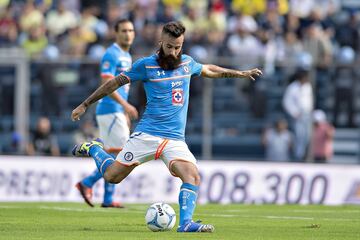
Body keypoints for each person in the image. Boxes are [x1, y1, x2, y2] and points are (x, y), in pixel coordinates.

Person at [71, 21, 262, 232]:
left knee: (192, 176)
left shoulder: (187, 63)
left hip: (174, 140)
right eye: (169, 46)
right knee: (112, 177)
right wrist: (85, 104)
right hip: (147, 135)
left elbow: (209, 69)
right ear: (161, 42)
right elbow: (114, 82)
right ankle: (93, 148)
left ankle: (186, 223)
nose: (173, 51)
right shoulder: (145, 65)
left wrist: (239, 73)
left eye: (178, 47)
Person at [75, 19, 138, 208]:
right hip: (110, 110)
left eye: (131, 30)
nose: (128, 34)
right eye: (124, 30)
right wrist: (125, 106)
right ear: (116, 33)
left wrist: (124, 111)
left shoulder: (126, 55)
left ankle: (106, 197)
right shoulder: (111, 54)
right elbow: (107, 84)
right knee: (125, 155)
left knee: (115, 154)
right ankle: (88, 183)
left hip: (116, 111)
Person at [282, 69, 313, 161]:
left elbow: (309, 101)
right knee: (298, 136)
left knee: (307, 136)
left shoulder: (308, 86)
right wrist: (294, 113)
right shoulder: (292, 87)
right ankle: (297, 157)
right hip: (297, 116)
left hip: (307, 114)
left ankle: (303, 156)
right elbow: (286, 102)